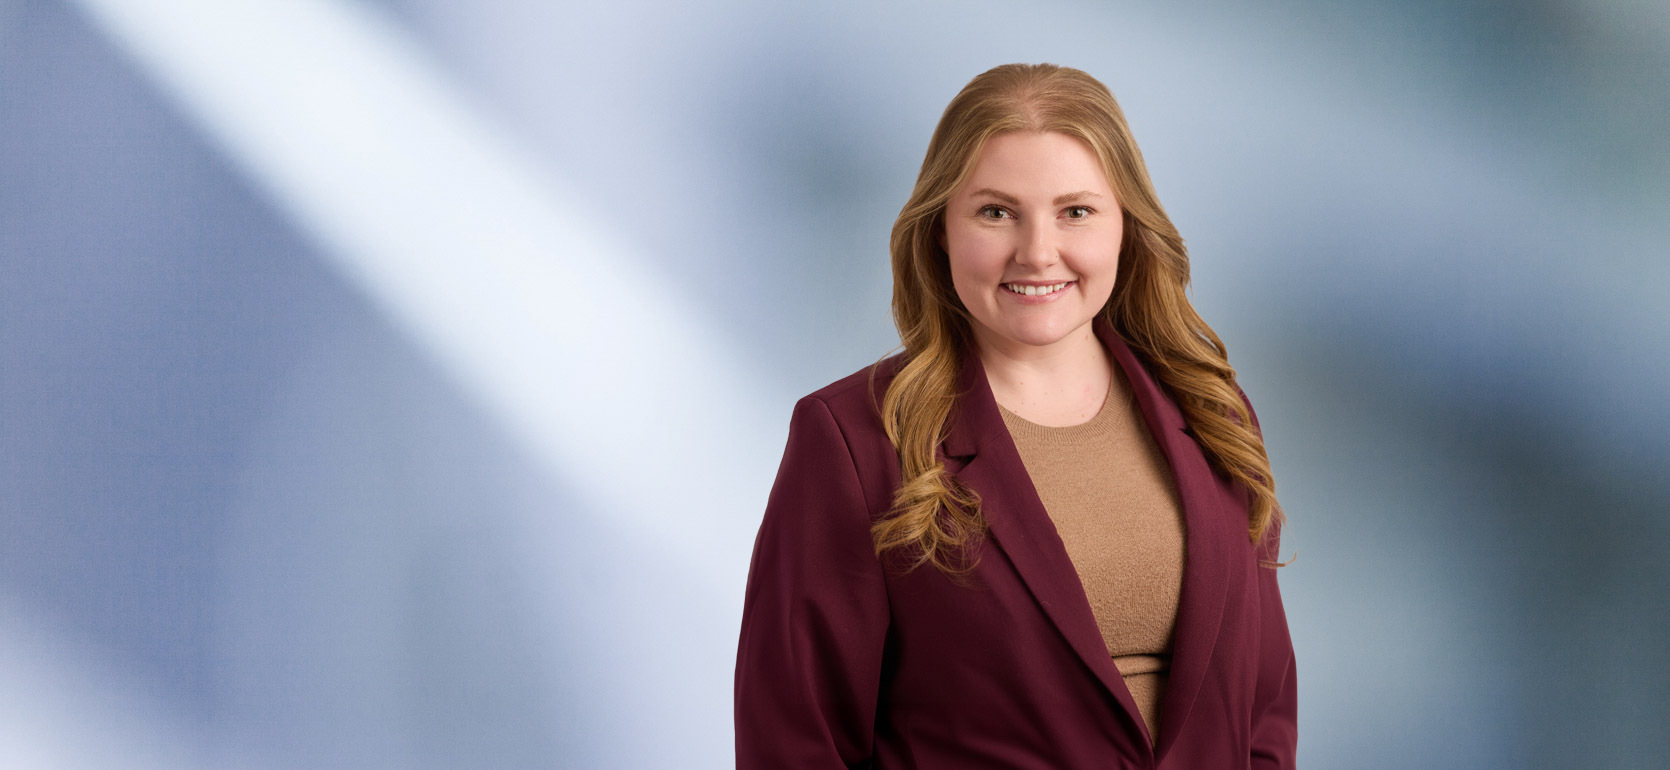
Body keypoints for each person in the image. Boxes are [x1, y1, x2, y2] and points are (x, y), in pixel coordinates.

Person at [734, 63, 1297, 769]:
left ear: (1127, 225)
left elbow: (1265, 714)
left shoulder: (1215, 417)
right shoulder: (853, 440)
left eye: (1076, 211)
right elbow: (795, 740)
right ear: (941, 230)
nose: (1037, 252)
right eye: (996, 212)